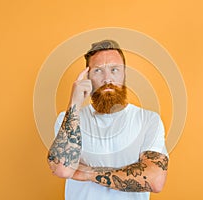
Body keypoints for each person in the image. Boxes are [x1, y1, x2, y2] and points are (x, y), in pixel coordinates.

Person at [47, 40, 169, 200]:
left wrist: (88, 173)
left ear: (124, 74)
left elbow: (155, 180)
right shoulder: (68, 119)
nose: (107, 79)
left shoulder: (148, 120)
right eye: (98, 71)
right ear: (87, 77)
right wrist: (74, 103)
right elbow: (62, 169)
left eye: (114, 70)